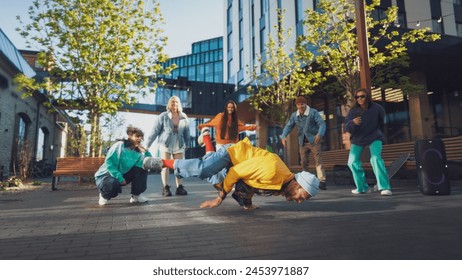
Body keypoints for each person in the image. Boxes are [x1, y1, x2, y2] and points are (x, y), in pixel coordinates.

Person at [143, 137, 319, 210]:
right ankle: (162, 162)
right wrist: (220, 197)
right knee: (204, 168)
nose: (299, 200)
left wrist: (246, 204)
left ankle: (206, 139)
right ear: (297, 184)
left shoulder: (282, 183)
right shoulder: (273, 170)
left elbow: (251, 183)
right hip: (232, 154)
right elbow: (236, 172)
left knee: (215, 179)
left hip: (240, 166)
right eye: (302, 196)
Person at [344, 88, 392, 196]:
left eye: (362, 96)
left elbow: (383, 121)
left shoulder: (377, 108)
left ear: (367, 97)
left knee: (375, 158)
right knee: (352, 162)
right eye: (357, 97)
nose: (360, 99)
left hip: (374, 137)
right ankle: (362, 188)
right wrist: (353, 122)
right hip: (358, 139)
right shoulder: (353, 111)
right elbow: (346, 127)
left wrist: (379, 132)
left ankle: (385, 187)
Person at [146, 95, 190, 197]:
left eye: (176, 102)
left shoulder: (183, 116)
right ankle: (165, 187)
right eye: (172, 102)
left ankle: (180, 187)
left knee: (179, 166)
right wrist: (148, 144)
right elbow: (155, 131)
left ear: (179, 104)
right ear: (169, 104)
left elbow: (187, 132)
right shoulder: (163, 116)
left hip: (178, 144)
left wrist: (187, 143)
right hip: (165, 144)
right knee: (165, 166)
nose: (174, 104)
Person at [95, 126, 151, 206]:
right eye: (137, 136)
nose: (140, 139)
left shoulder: (138, 153)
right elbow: (109, 162)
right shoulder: (120, 145)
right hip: (105, 175)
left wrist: (145, 151)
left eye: (141, 137)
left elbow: (149, 163)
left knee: (143, 168)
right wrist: (119, 178)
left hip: (121, 176)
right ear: (130, 136)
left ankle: (136, 195)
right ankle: (104, 195)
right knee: (112, 184)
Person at [281, 96, 327, 190]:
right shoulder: (295, 115)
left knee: (318, 161)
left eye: (302, 104)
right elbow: (289, 126)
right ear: (296, 106)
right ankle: (306, 180)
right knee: (304, 162)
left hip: (314, 141)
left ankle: (322, 181)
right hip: (302, 142)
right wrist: (283, 136)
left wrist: (319, 134)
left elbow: (322, 124)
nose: (300, 106)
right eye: (298, 104)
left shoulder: (313, 112)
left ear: (305, 104)